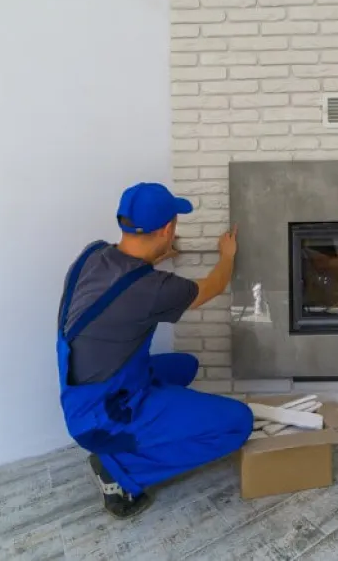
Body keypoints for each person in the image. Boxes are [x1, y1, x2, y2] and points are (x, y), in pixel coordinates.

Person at [55, 182, 253, 519]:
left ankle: (149, 426)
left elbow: (127, 288)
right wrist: (228, 255)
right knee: (239, 423)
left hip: (83, 394)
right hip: (105, 415)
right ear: (167, 229)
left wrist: (160, 252)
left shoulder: (93, 254)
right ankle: (120, 470)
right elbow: (215, 285)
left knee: (185, 366)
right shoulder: (154, 289)